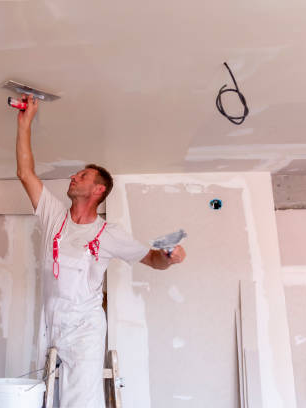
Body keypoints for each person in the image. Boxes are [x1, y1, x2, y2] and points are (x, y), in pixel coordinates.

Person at [15, 94, 186, 408]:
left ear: (98, 190)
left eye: (82, 176)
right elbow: (26, 174)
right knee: (49, 397)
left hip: (84, 329)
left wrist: (169, 258)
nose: (73, 177)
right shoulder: (55, 215)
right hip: (52, 323)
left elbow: (151, 259)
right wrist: (24, 124)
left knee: (79, 402)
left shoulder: (108, 233)